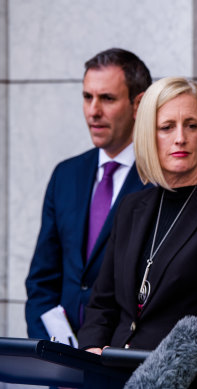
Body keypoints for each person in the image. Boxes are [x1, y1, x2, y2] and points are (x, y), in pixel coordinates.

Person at [77, 77, 197, 357]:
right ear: (148, 135)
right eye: (166, 127)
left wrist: (155, 373)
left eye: (191, 125)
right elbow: (102, 303)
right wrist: (91, 352)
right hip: (115, 372)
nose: (180, 138)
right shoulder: (131, 206)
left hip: (188, 375)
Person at [25, 48, 152, 340]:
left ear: (139, 104)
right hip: (62, 366)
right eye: (87, 97)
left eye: (107, 98)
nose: (93, 111)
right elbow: (42, 281)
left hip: (124, 365)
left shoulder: (158, 180)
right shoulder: (66, 175)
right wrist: (52, 352)